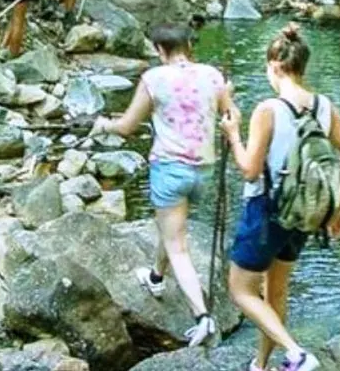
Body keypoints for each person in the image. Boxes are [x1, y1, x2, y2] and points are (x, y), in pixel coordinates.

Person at [220, 23, 340, 371]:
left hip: (265, 210)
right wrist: (337, 206)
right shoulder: (325, 107)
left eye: (268, 68)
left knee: (240, 291)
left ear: (276, 66)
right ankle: (261, 365)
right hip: (304, 213)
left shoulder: (268, 109)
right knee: (276, 292)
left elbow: (250, 170)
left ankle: (295, 354)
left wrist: (233, 134)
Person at [92, 24, 234, 348]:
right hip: (204, 171)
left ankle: (202, 317)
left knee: (178, 245)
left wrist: (104, 125)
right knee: (170, 228)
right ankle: (156, 277)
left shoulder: (154, 79)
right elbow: (230, 114)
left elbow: (127, 127)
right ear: (188, 45)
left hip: (170, 170)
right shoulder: (212, 75)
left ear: (159, 49)